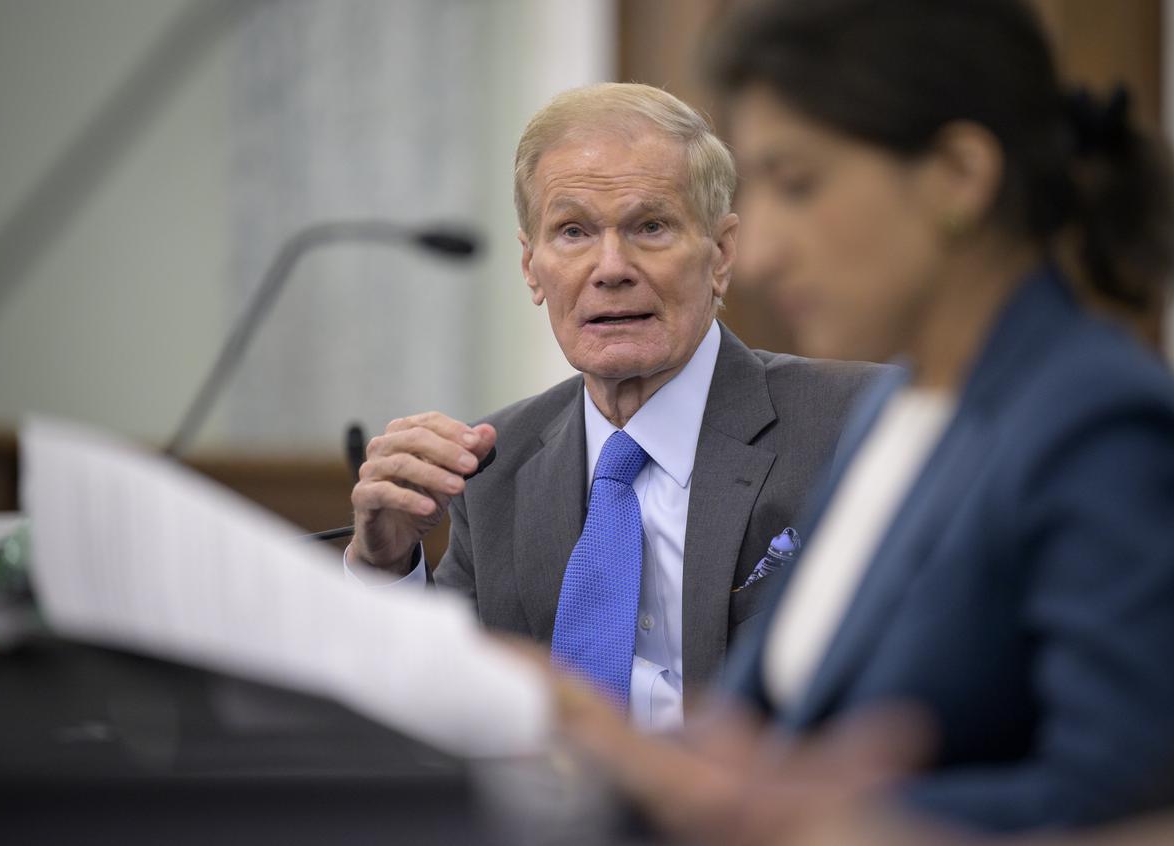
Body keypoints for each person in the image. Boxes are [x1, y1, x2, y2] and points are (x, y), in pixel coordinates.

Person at [553, 0, 1174, 834]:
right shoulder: (894, 407)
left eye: (798, 184)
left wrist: (812, 812)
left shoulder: (1105, 427)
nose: (758, 255)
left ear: (957, 175)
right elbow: (758, 733)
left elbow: (1126, 803)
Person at [346, 83, 880, 731]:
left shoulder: (857, 425)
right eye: (573, 232)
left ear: (721, 254)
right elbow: (445, 710)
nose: (610, 268)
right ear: (531, 266)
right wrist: (386, 567)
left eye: (650, 227)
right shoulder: (493, 466)